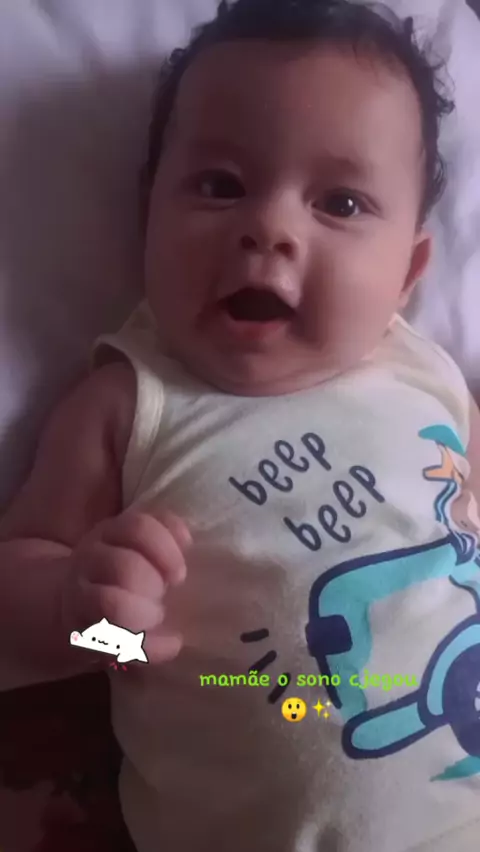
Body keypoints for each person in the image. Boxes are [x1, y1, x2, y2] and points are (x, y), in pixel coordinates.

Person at [1, 0, 480, 849]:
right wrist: (86, 608)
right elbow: (17, 591)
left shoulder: (425, 371)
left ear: (407, 273)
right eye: (221, 186)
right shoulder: (129, 402)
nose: (270, 228)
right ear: (147, 218)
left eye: (340, 202)